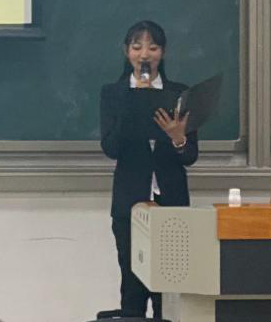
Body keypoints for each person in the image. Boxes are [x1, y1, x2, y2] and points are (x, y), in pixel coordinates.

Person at [100, 19, 199, 319]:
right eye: (137, 47)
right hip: (129, 202)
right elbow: (111, 148)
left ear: (162, 53)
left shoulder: (179, 94)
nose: (145, 54)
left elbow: (190, 156)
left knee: (167, 291)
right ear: (126, 52)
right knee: (132, 287)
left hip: (172, 201)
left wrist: (177, 137)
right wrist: (136, 102)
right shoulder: (113, 94)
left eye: (153, 47)